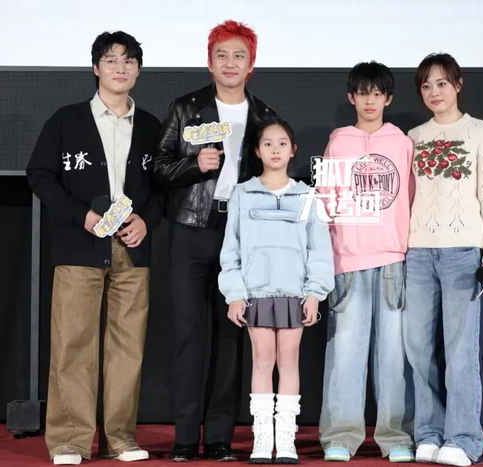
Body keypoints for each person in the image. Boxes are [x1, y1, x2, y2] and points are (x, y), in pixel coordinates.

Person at [26, 31, 161, 465]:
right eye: (111, 60)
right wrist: (80, 215)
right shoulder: (67, 120)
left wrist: (147, 220)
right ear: (95, 68)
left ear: (138, 71)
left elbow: (164, 187)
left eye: (129, 61)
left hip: (132, 250)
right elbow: (40, 174)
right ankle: (69, 441)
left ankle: (120, 438)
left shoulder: (151, 127)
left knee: (128, 347)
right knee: (73, 343)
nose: (120, 68)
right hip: (79, 247)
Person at [149, 19, 277, 462]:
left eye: (239, 55)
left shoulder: (264, 117)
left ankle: (220, 436)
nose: (230, 63)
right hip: (190, 229)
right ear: (209, 62)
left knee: (230, 336)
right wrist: (193, 165)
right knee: (189, 335)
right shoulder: (186, 108)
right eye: (222, 55)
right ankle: (186, 438)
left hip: (240, 236)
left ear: (251, 64)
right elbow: (157, 167)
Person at [403, 53, 483, 466]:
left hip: (464, 252)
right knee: (416, 347)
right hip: (417, 252)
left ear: (458, 85)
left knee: (461, 351)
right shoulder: (413, 136)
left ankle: (464, 439)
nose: (434, 92)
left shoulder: (481, 131)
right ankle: (428, 433)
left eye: (441, 83)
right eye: (426, 85)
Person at [218, 117, 334, 463]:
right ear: (257, 151)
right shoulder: (242, 193)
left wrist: (314, 293)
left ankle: (285, 440)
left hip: (294, 293)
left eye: (282, 143)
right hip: (256, 293)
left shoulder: (308, 195)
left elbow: (320, 250)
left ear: (293, 150)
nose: (275, 150)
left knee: (289, 361)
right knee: (262, 361)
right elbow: (231, 249)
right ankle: (261, 439)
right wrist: (235, 294)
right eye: (267, 144)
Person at [318, 61, 415, 463]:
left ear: (388, 98)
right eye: (363, 93)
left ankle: (396, 437)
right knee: (346, 352)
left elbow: (410, 197)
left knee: (394, 354)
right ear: (351, 97)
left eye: (377, 93)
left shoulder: (402, 143)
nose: (370, 101)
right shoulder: (339, 142)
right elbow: (325, 200)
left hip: (393, 259)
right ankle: (340, 436)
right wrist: (326, 259)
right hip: (348, 260)